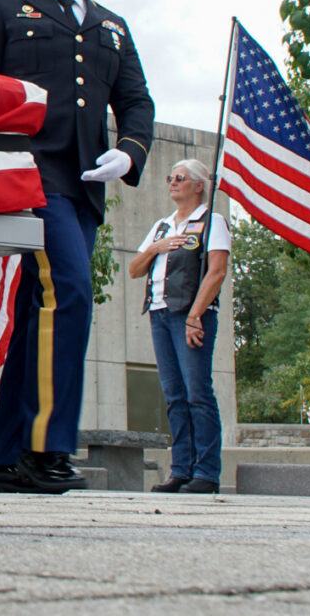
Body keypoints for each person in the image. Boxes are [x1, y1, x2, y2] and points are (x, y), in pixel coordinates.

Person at [0, 0, 156, 493]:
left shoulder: (110, 26)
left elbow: (138, 102)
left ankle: (8, 460)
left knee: (37, 308)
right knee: (66, 291)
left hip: (85, 185)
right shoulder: (3, 8)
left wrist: (130, 152)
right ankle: (46, 448)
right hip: (28, 176)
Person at [129, 159, 229, 494]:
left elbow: (216, 272)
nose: (172, 182)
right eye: (171, 176)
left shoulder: (211, 221)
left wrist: (194, 315)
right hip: (159, 313)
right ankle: (181, 468)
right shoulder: (162, 226)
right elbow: (134, 268)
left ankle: (206, 471)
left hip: (189, 315)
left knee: (197, 392)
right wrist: (156, 248)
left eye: (180, 178)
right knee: (174, 395)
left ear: (199, 186)